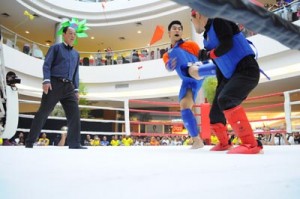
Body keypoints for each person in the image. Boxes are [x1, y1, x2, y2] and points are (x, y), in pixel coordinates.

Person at [191, 9, 263, 154]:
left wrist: (208, 55)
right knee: (215, 113)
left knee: (226, 99)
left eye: (191, 20)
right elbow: (219, 63)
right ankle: (224, 143)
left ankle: (251, 144)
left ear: (197, 14)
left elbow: (227, 45)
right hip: (229, 75)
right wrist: (219, 85)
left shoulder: (219, 20)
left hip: (246, 69)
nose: (192, 24)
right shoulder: (207, 36)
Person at [25, 26, 87, 149]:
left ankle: (74, 143)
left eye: (74, 34)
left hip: (69, 87)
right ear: (64, 34)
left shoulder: (76, 54)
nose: (73, 36)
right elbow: (47, 65)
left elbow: (76, 73)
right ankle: (30, 142)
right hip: (54, 84)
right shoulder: (55, 48)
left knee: (74, 114)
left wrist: (76, 89)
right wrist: (46, 81)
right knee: (43, 112)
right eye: (70, 33)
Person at [162, 20, 215, 149]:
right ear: (169, 33)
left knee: (194, 71)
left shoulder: (190, 44)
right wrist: (169, 66)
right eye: (174, 28)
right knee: (184, 106)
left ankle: (222, 68)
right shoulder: (167, 54)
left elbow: (203, 57)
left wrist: (201, 66)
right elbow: (167, 67)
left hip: (198, 71)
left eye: (179, 28)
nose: (177, 30)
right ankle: (197, 141)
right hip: (187, 80)